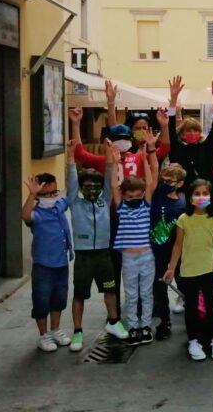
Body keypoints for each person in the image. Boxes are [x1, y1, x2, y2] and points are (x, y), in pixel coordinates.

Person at [66, 140, 128, 352]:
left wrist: (112, 159)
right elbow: (72, 179)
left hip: (103, 253)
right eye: (87, 185)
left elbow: (111, 176)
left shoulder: (105, 199)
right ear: (81, 187)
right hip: (83, 256)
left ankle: (113, 322)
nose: (92, 188)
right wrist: (70, 157)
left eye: (96, 185)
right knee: (80, 294)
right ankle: (77, 331)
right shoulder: (75, 201)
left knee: (110, 290)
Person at [164, 179, 213, 361]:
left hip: (209, 269)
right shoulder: (184, 220)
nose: (201, 197)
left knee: (211, 305)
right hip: (188, 271)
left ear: (211, 196)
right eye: (197, 193)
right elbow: (177, 245)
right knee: (190, 307)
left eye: (204, 193)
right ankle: (193, 341)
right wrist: (171, 268)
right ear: (190, 197)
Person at [110, 134, 159, 346]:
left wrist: (146, 159)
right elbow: (114, 186)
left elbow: (149, 184)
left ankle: (146, 326)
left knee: (146, 293)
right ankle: (133, 327)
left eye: (138, 195)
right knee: (131, 294)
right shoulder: (121, 207)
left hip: (147, 255)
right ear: (124, 195)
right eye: (130, 196)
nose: (134, 199)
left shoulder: (146, 204)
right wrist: (114, 164)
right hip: (128, 257)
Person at [21, 172, 73, 352]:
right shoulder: (37, 214)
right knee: (42, 300)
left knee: (59, 299)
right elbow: (25, 216)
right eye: (47, 194)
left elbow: (72, 194)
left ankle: (55, 330)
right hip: (43, 265)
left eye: (54, 193)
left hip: (62, 263)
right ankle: (43, 335)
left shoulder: (59, 206)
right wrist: (32, 194)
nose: (52, 197)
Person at [167, 76, 213, 189]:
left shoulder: (206, 147)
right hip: (185, 194)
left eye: (195, 130)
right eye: (188, 131)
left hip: (207, 193)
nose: (192, 133)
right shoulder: (177, 148)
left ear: (200, 133)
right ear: (182, 134)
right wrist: (173, 99)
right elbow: (170, 127)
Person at [150, 163, 187, 340]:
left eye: (170, 181)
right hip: (156, 251)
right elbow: (153, 169)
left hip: (177, 252)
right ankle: (164, 321)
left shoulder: (183, 203)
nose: (165, 183)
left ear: (179, 183)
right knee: (159, 287)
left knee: (183, 282)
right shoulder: (156, 195)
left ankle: (192, 317)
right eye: (163, 180)